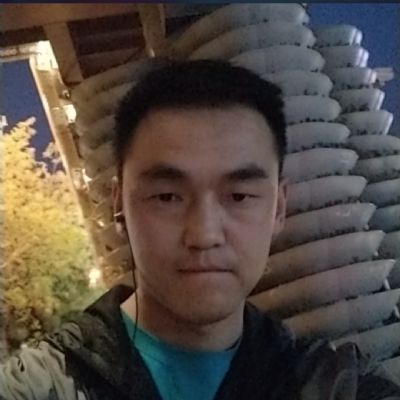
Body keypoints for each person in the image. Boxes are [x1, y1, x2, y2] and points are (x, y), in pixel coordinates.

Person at [1, 60, 399, 400]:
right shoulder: (39, 386)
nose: (205, 234)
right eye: (167, 197)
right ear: (119, 204)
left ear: (278, 207)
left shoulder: (335, 384)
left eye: (239, 196)